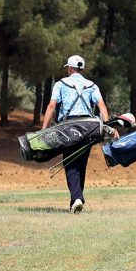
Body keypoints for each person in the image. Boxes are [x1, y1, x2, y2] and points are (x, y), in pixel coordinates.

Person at [42, 55, 114, 214]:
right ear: (82, 69)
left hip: (68, 128)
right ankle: (76, 201)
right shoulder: (91, 85)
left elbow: (52, 105)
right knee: (81, 164)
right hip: (89, 128)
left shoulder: (61, 84)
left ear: (69, 68)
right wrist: (107, 127)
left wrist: (44, 128)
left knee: (70, 164)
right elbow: (101, 105)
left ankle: (77, 199)